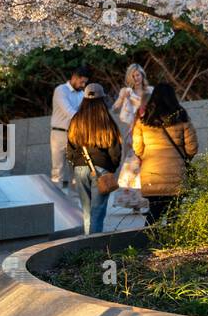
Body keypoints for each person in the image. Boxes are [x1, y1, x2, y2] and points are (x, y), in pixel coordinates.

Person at [132, 82, 198, 226]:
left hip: (152, 175)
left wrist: (148, 157)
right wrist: (183, 158)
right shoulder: (181, 118)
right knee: (174, 214)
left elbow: (137, 149)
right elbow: (192, 148)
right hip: (177, 174)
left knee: (153, 214)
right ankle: (171, 245)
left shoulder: (143, 121)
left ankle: (148, 244)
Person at [67, 83, 121, 235]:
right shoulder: (106, 120)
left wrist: (75, 164)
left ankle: (86, 245)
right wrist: (112, 167)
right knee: (97, 211)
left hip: (79, 167)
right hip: (102, 167)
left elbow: (70, 146)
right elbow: (115, 149)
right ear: (102, 99)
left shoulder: (76, 120)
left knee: (86, 210)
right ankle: (93, 248)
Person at [110, 62, 151, 211]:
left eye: (138, 75)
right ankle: (133, 201)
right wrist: (122, 99)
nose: (136, 78)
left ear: (142, 75)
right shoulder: (126, 92)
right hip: (133, 133)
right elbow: (114, 110)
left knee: (147, 165)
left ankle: (146, 200)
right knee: (131, 167)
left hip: (150, 131)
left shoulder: (150, 91)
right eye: (133, 76)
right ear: (130, 77)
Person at [50, 66, 90, 192]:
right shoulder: (61, 90)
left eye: (85, 82)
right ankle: (57, 202)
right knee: (58, 169)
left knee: (77, 170)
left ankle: (76, 203)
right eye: (81, 81)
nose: (83, 85)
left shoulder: (82, 94)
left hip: (76, 134)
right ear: (74, 77)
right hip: (59, 134)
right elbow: (69, 111)